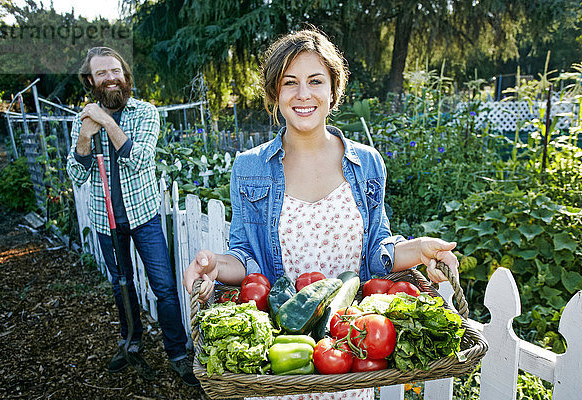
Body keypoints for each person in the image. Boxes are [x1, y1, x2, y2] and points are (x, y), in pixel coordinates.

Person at [183, 29, 459, 400]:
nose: (303, 95)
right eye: (289, 83)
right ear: (275, 94)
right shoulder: (250, 168)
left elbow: (378, 248)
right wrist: (215, 264)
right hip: (281, 362)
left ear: (333, 90)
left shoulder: (366, 164)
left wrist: (421, 248)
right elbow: (246, 257)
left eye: (315, 81)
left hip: (347, 355)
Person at [66, 47, 198, 386]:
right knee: (121, 284)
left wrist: (107, 122)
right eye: (101, 74)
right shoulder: (83, 121)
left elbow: (138, 160)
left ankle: (177, 352)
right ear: (91, 81)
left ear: (126, 76)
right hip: (104, 221)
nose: (110, 78)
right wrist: (84, 136)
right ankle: (131, 341)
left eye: (115, 71)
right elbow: (76, 175)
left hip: (144, 217)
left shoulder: (145, 113)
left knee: (165, 288)